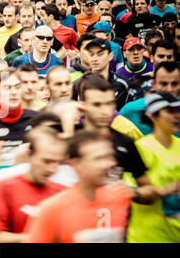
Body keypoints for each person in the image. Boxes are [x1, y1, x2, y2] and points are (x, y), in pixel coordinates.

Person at [22, 130, 132, 243]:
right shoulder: (51, 209)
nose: (109, 164)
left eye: (109, 157)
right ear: (75, 164)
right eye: (98, 159)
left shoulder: (121, 197)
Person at [0, 127, 68, 242]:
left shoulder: (62, 192)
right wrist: (35, 237)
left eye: (57, 162)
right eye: (46, 161)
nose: (52, 169)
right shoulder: (7, 188)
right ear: (29, 155)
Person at [127, 92, 180, 243]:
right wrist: (161, 192)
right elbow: (129, 192)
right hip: (147, 237)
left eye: (177, 111)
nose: (176, 116)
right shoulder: (142, 149)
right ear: (153, 116)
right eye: (170, 111)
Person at [120, 62, 179, 138]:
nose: (169, 89)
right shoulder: (130, 111)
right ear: (153, 84)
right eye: (164, 84)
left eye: (174, 84)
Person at [77, 38, 129, 110]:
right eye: (91, 54)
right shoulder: (79, 85)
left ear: (110, 56)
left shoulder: (122, 84)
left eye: (100, 54)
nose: (94, 59)